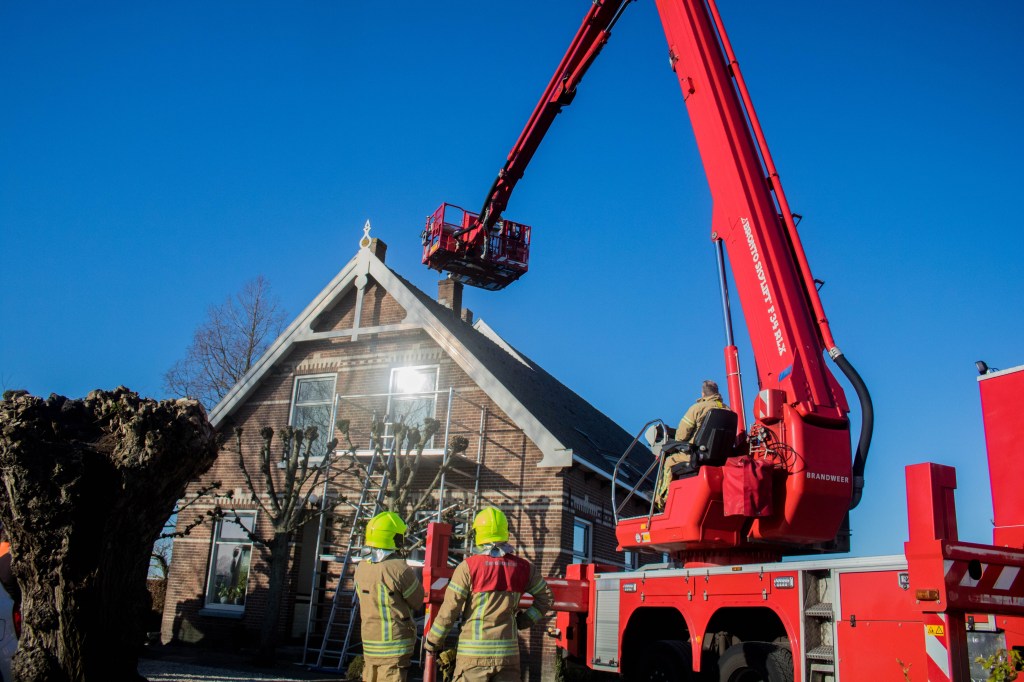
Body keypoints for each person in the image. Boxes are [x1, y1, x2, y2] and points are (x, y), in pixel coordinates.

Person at [424, 507, 554, 682]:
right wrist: (522, 622)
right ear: (504, 532)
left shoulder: (468, 567)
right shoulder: (524, 568)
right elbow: (546, 598)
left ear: (479, 533)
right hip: (508, 656)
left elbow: (450, 610)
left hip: (473, 657)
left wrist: (433, 642)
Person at [354, 511, 425, 682]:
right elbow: (417, 600)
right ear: (393, 537)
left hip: (370, 643)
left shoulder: (361, 568)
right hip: (395, 645)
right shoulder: (398, 568)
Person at [655, 380, 729, 509]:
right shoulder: (728, 410)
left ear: (702, 393)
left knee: (669, 461)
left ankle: (661, 500)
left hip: (695, 456)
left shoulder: (697, 408)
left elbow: (681, 436)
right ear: (717, 393)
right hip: (720, 460)